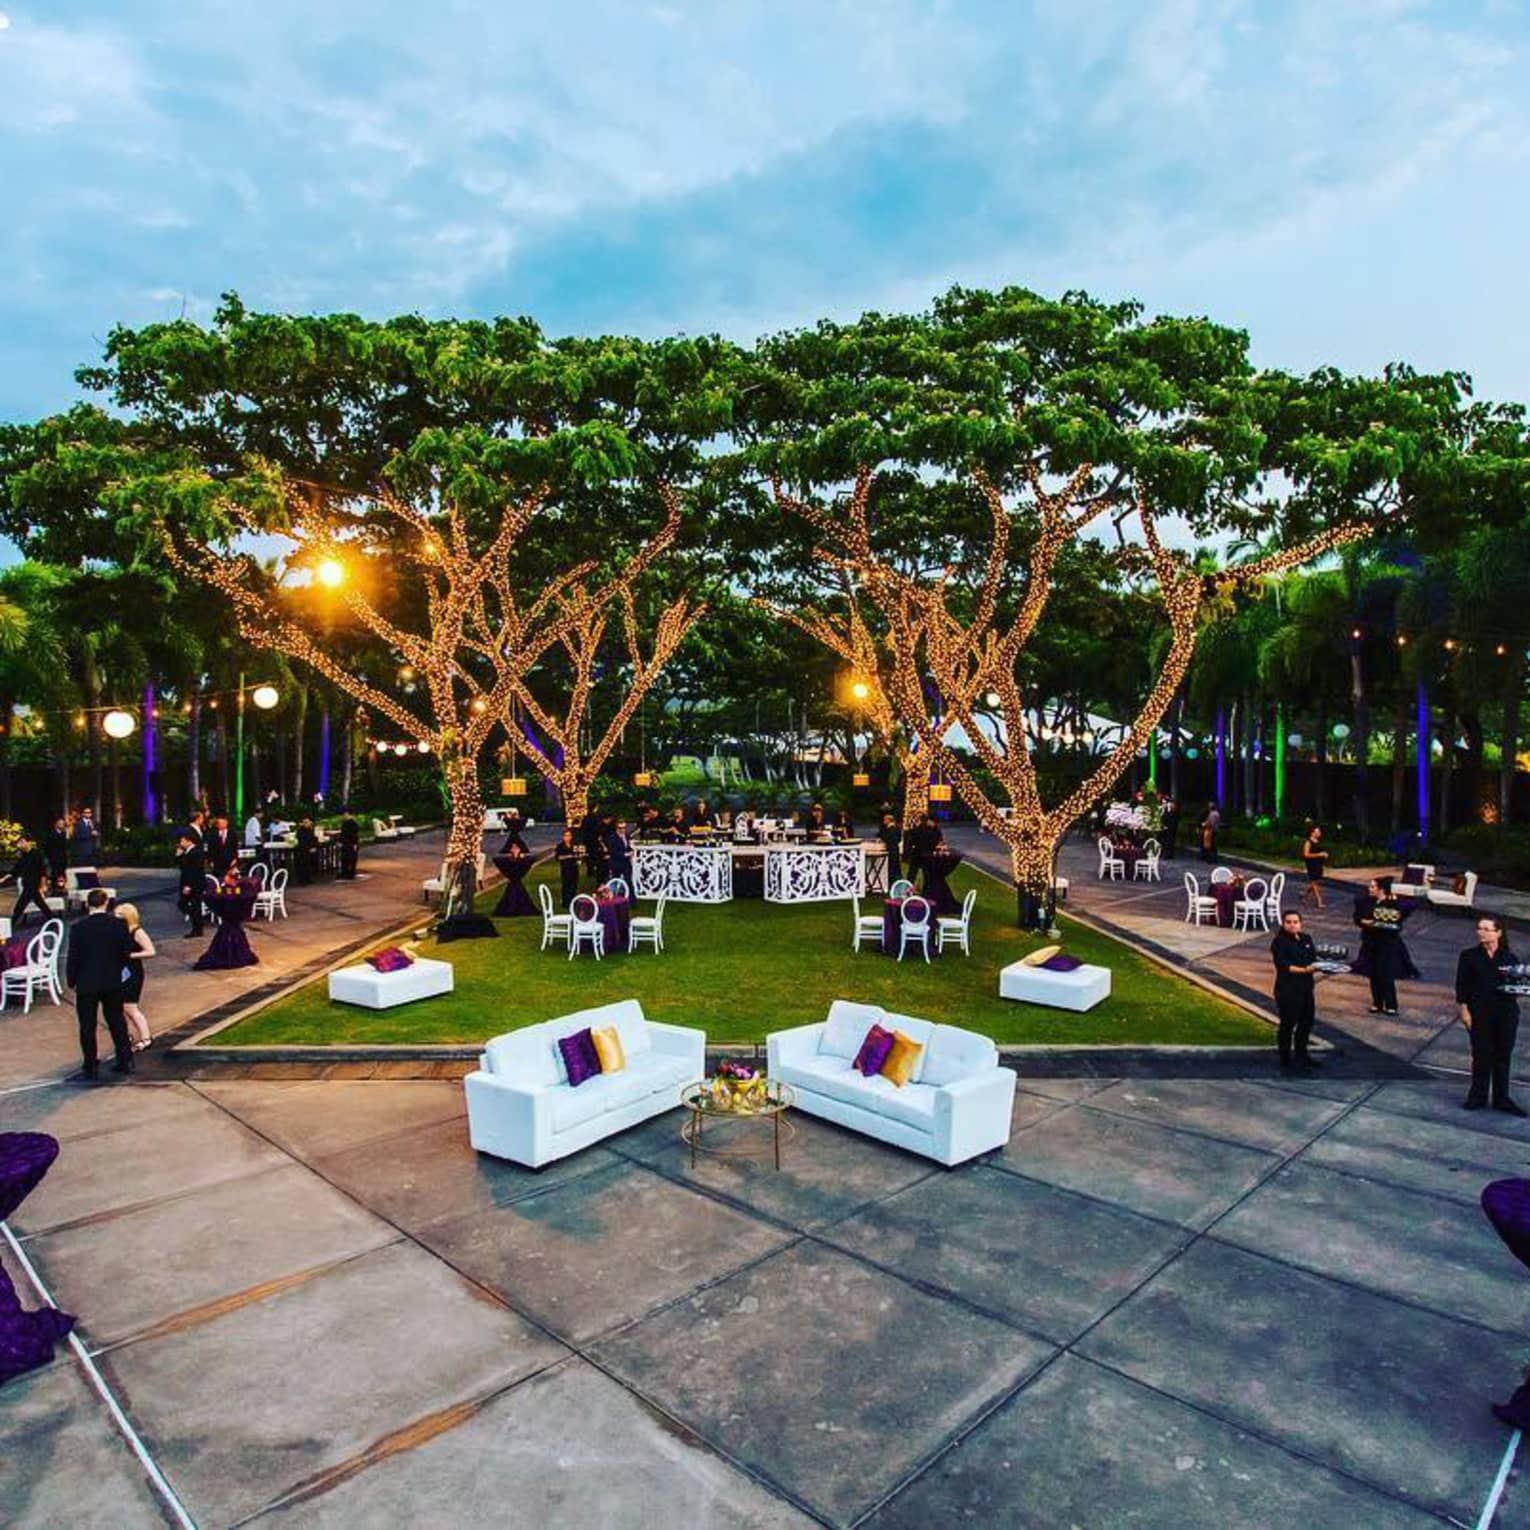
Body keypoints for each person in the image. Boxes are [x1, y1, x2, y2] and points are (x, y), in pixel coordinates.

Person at [1456, 915, 1525, 1116]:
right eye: (1480, 928)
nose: (1481, 932)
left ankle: (1501, 1098)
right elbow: (1462, 985)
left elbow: (1517, 986)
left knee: (1503, 1056)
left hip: (1505, 1014)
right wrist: (1464, 1010)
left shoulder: (1509, 959)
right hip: (1479, 1013)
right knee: (1481, 1055)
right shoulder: (1469, 956)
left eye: (1486, 929)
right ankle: (1477, 1095)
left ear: (1498, 933)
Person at [66, 887, 136, 1081]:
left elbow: (73, 958)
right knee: (116, 1021)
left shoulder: (79, 928)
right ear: (106, 903)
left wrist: (71, 980)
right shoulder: (119, 924)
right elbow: (126, 950)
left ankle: (90, 1065)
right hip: (111, 980)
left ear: (89, 904)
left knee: (87, 1025)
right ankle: (125, 1059)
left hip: (87, 982)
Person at [1352, 876, 1418, 1014]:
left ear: (1381, 889)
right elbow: (1357, 918)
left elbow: (1404, 913)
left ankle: (1391, 1005)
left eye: (1372, 887)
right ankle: (1377, 1003)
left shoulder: (1392, 903)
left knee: (1386, 973)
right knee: (1373, 973)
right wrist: (1364, 922)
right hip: (1370, 941)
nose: (1369, 889)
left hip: (1387, 942)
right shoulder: (1365, 902)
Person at [1271, 910, 1320, 1070]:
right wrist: (1305, 970)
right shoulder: (1279, 942)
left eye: (1295, 922)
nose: (1292, 925)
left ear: (1300, 923)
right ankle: (1285, 1058)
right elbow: (1284, 966)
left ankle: (1302, 1054)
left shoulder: (1306, 939)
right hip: (1288, 989)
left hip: (1306, 988)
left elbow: (1313, 960)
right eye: (1288, 922)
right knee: (1288, 1023)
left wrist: (1322, 967)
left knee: (1307, 1022)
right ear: (1283, 924)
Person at [116, 902, 157, 1051]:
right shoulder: (119, 931)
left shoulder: (137, 932)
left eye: (120, 915)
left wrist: (131, 955)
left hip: (132, 972)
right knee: (120, 1007)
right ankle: (128, 1035)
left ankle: (146, 1037)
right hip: (119, 971)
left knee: (130, 1007)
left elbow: (151, 951)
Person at [9, 835, 53, 930]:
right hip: (27, 882)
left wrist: (43, 883)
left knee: (20, 906)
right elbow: (16, 870)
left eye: (23, 842)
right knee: (40, 903)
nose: (20, 844)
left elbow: (42, 870)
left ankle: (11, 924)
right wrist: (4, 878)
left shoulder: (36, 854)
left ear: (29, 842)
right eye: (20, 842)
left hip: (33, 883)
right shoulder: (22, 855)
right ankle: (52, 918)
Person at [175, 831, 206, 937]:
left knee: (193, 905)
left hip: (194, 884)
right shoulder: (187, 852)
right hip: (188, 882)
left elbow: (193, 870)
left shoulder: (196, 852)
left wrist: (189, 885)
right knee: (186, 904)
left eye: (182, 841)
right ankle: (197, 925)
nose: (180, 843)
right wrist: (179, 856)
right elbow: (182, 867)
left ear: (189, 841)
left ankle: (198, 927)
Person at [1300, 824, 1329, 910]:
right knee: (1314, 882)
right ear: (1312, 832)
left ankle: (1304, 894)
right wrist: (1319, 855)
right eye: (1317, 831)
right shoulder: (1308, 842)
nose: (1319, 833)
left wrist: (1324, 855)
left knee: (1316, 881)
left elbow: (1319, 851)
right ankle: (1319, 901)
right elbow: (1306, 854)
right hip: (1311, 864)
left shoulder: (1318, 842)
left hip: (1318, 864)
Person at [554, 828, 581, 909]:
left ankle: (574, 900)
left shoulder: (574, 845)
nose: (567, 838)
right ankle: (566, 902)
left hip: (574, 867)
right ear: (563, 837)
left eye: (569, 836)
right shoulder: (560, 846)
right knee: (566, 885)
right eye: (566, 836)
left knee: (574, 884)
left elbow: (578, 855)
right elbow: (558, 857)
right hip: (566, 868)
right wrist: (567, 856)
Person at [43, 815, 69, 895]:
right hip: (54, 859)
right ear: (56, 824)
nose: (61, 825)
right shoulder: (51, 834)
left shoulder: (64, 834)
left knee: (62, 875)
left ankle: (62, 889)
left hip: (63, 859)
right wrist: (51, 857)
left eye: (62, 823)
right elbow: (47, 847)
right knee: (55, 875)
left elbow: (65, 847)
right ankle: (54, 890)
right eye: (60, 823)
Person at [605, 817, 634, 886]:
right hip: (616, 863)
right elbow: (613, 851)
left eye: (624, 828)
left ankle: (630, 896)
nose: (622, 830)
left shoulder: (626, 836)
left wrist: (631, 850)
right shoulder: (612, 837)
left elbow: (627, 847)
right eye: (620, 828)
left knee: (628, 881)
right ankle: (614, 895)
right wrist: (626, 854)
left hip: (626, 863)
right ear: (616, 828)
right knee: (614, 881)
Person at [878, 811, 903, 887]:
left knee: (892, 866)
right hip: (895, 849)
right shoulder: (896, 828)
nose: (884, 821)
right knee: (895, 866)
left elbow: (886, 837)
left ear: (889, 820)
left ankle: (892, 881)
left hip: (892, 849)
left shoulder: (891, 829)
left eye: (885, 820)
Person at [294, 816, 318, 885]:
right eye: (304, 822)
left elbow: (314, 839)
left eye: (307, 822)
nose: (305, 824)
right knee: (302, 865)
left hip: (309, 850)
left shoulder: (311, 829)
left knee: (309, 865)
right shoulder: (300, 830)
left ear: (311, 822)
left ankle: (308, 878)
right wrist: (310, 847)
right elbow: (303, 841)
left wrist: (314, 847)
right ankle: (302, 880)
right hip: (302, 850)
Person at [338, 808, 360, 879]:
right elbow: (342, 834)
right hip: (345, 844)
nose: (344, 816)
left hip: (350, 844)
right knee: (344, 859)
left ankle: (351, 873)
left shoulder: (353, 824)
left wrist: (355, 844)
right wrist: (340, 841)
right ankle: (345, 872)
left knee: (351, 859)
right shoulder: (345, 823)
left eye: (345, 814)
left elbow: (355, 835)